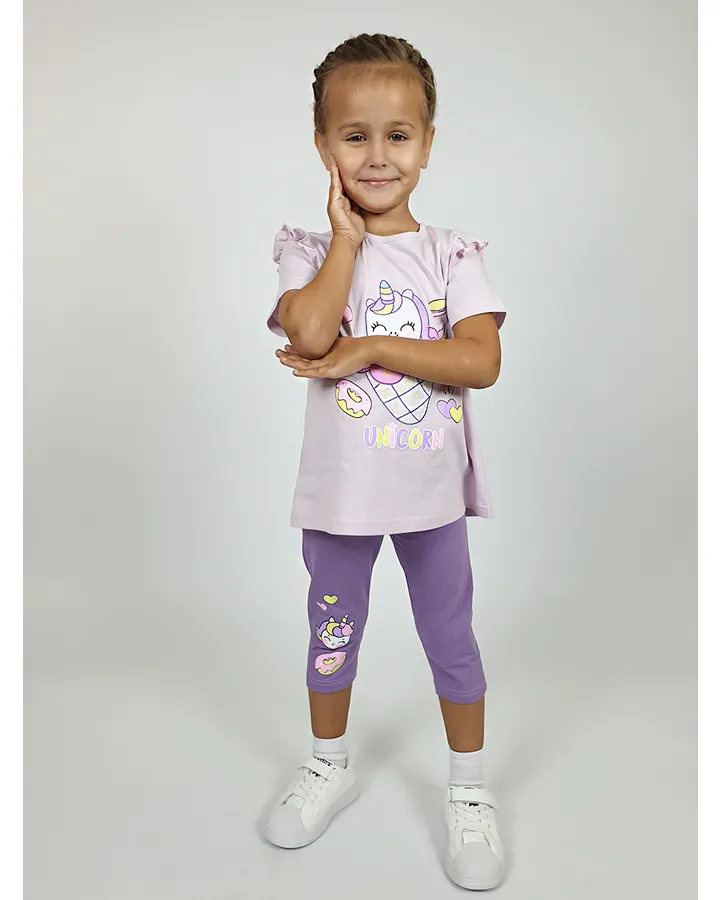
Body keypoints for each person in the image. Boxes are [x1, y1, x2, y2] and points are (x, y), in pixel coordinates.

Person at [264, 33, 507, 892]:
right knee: (333, 632)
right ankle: (328, 763)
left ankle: (468, 790)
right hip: (341, 500)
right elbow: (309, 333)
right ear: (323, 145)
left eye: (398, 135)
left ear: (428, 143)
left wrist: (370, 346)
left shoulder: (450, 253)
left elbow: (479, 360)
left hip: (430, 498)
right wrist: (344, 241)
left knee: (450, 638)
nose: (376, 155)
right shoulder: (307, 248)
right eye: (354, 135)